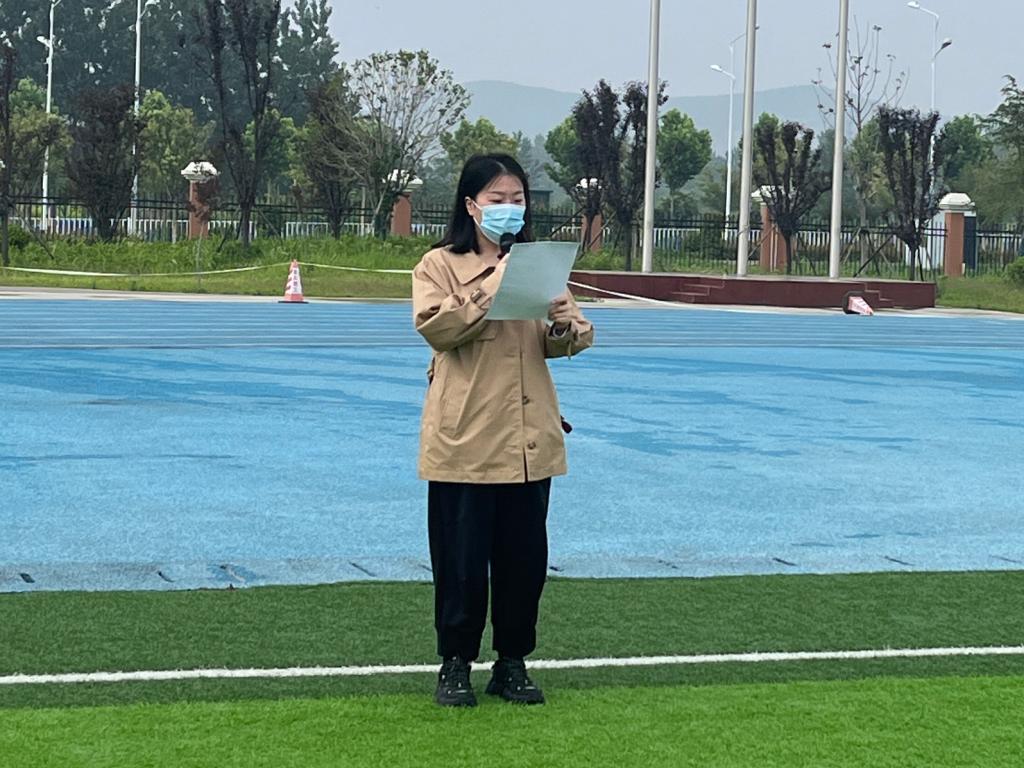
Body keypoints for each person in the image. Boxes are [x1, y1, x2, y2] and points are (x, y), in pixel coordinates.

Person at [412, 154, 594, 707]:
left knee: (523, 563)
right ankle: (455, 663)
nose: (509, 209)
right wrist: (494, 282)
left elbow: (569, 337)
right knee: (461, 564)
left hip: (528, 438)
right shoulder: (439, 264)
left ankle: (512, 662)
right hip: (466, 438)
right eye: (497, 200)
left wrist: (563, 324)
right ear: (471, 206)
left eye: (518, 199)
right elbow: (437, 328)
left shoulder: (536, 264)